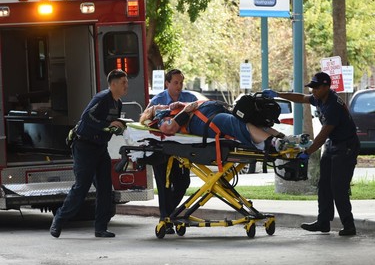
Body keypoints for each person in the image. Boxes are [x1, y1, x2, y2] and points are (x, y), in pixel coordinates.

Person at [263, 71, 360, 236]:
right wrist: (277, 94)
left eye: (316, 87)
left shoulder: (333, 106)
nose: (313, 90)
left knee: (338, 187)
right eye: (312, 87)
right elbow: (301, 98)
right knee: (324, 186)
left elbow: (322, 135)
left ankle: (349, 226)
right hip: (333, 144)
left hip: (346, 147)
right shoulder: (320, 98)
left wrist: (307, 152)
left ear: (326, 87)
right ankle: (323, 222)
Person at [50, 69, 128, 238]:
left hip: (100, 148)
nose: (126, 86)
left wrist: (118, 127)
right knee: (81, 187)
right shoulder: (101, 98)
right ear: (113, 84)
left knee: (105, 188)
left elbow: (109, 125)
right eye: (123, 82)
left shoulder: (118, 103)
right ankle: (59, 219)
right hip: (84, 147)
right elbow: (87, 118)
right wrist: (106, 125)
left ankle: (100, 228)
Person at [146, 69, 197, 234]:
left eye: (181, 83)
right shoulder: (158, 100)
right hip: (162, 148)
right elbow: (147, 120)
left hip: (183, 148)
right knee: (164, 185)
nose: (179, 86)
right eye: (176, 83)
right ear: (167, 83)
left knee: (183, 183)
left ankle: (168, 215)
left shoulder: (189, 99)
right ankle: (165, 219)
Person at [140, 100, 287, 152]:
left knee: (249, 120)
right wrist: (185, 110)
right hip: (203, 121)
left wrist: (181, 105)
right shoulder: (159, 117)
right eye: (155, 106)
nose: (159, 105)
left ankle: (284, 139)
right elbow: (168, 128)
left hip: (208, 113)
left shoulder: (171, 110)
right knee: (234, 123)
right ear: (152, 113)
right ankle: (274, 142)